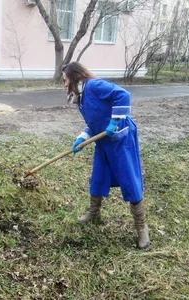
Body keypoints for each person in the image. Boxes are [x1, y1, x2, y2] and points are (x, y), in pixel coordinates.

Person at [62, 61, 150, 249]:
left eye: (65, 80)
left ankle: (142, 229)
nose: (64, 84)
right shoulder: (82, 96)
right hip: (103, 140)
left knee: (129, 180)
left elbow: (123, 95)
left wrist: (114, 122)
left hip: (120, 139)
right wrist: (82, 138)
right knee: (99, 176)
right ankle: (94, 213)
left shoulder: (94, 85)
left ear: (74, 77)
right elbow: (95, 122)